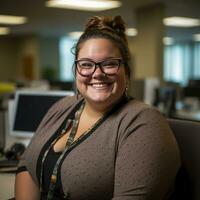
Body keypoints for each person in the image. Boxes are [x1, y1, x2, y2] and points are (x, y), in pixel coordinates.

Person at [15, 15, 180, 200]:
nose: (97, 73)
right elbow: (27, 163)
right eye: (86, 64)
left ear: (126, 70)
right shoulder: (64, 106)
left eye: (109, 64)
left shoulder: (144, 123)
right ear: (76, 70)